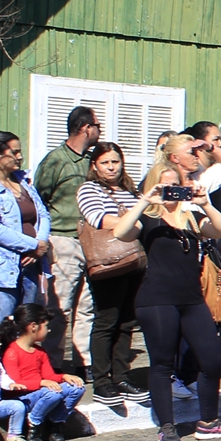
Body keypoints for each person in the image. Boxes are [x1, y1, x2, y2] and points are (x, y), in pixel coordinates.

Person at [110, 161, 221, 441]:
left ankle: (208, 421)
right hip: (157, 300)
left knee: (213, 359)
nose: (171, 191)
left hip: (191, 299)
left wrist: (206, 203)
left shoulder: (191, 217)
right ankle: (167, 427)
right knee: (163, 363)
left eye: (176, 184)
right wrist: (145, 200)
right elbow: (120, 232)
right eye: (165, 185)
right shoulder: (148, 220)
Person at [76, 143, 145, 404]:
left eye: (115, 161)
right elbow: (99, 218)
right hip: (108, 263)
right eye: (105, 162)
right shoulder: (90, 189)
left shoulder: (130, 190)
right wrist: (134, 222)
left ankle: (122, 377)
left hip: (134, 261)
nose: (111, 167)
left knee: (127, 321)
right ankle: (102, 380)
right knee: (106, 320)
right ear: (95, 165)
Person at [34, 105, 99, 374]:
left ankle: (83, 362)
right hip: (63, 239)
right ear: (85, 127)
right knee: (60, 306)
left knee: (87, 305)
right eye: (97, 126)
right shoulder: (56, 160)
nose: (99, 131)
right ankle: (53, 363)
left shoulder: (92, 160)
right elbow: (40, 198)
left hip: (92, 241)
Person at [0, 305, 85, 441]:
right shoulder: (12, 352)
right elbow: (15, 383)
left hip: (42, 393)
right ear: (33, 326)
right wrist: (41, 383)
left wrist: (64, 377)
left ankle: (56, 422)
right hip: (23, 397)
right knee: (52, 393)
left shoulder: (40, 352)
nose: (48, 330)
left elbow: (49, 376)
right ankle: (34, 424)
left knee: (77, 387)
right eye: (46, 326)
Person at [0, 133, 49, 324]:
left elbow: (43, 214)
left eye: (20, 152)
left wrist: (39, 246)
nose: (19, 157)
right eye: (14, 152)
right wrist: (32, 244)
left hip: (31, 264)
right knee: (4, 325)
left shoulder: (23, 181)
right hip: (2, 269)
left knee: (27, 325)